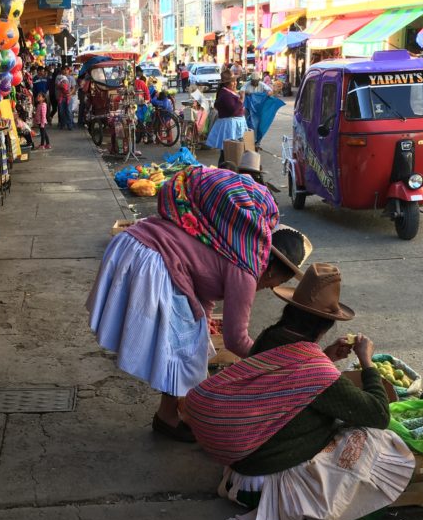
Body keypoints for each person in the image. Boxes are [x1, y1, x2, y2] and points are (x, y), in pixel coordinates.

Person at [183, 263, 415, 520]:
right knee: (377, 439)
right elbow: (378, 414)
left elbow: (284, 380)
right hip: (267, 486)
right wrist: (367, 363)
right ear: (325, 325)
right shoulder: (317, 371)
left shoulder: (270, 337)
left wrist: (327, 355)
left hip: (240, 470)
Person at [87, 166, 312, 442]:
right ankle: (168, 418)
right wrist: (272, 364)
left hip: (137, 246)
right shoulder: (247, 268)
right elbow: (235, 339)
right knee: (185, 350)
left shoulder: (234, 244)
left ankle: (169, 414)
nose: (268, 288)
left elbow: (203, 294)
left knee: (192, 344)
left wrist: (202, 330)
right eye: (273, 283)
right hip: (150, 259)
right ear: (273, 272)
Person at [206, 71, 248, 166]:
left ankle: (229, 169)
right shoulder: (225, 94)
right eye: (232, 81)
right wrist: (241, 100)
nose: (235, 83)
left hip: (234, 124)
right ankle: (222, 170)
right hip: (230, 125)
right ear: (226, 83)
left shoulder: (228, 93)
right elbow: (232, 110)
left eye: (235, 81)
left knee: (231, 150)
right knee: (227, 150)